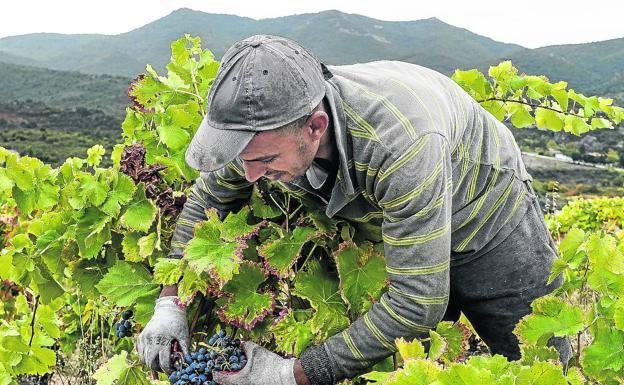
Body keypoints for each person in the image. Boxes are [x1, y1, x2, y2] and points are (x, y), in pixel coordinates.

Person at [137, 34, 571, 385]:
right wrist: (170, 300)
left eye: (266, 161)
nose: (249, 176)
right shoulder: (254, 134)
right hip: (397, 211)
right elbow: (208, 199)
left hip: (483, 211)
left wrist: (293, 374)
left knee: (536, 359)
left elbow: (418, 303)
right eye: (244, 160)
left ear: (315, 126)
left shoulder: (400, 146)